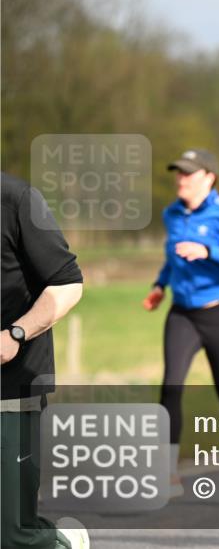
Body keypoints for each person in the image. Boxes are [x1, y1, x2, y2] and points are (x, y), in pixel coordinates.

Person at [141, 149, 219, 501]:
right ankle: (169, 473)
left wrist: (209, 252)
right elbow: (171, 257)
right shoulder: (171, 214)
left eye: (189, 173)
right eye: (179, 173)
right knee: (171, 387)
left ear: (209, 178)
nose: (181, 179)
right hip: (182, 314)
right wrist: (160, 285)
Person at [1, 173, 89, 548]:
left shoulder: (16, 199)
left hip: (11, 388)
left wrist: (15, 334)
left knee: (9, 533)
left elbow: (68, 283)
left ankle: (60, 542)